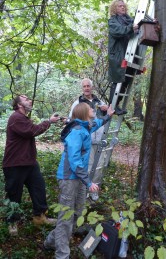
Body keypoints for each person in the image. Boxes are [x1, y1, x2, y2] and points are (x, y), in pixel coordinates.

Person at [44, 102, 114, 259]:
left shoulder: (86, 127)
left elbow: (97, 123)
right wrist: (89, 182)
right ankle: (62, 255)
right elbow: (74, 160)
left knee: (78, 213)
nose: (93, 110)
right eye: (90, 109)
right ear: (83, 113)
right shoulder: (76, 132)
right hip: (69, 178)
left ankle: (50, 241)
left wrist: (108, 115)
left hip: (80, 178)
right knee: (66, 218)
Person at [2, 94, 60, 235]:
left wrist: (49, 122)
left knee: (38, 188)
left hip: (29, 162)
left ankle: (39, 217)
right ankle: (12, 222)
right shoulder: (16, 118)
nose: (30, 100)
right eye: (26, 99)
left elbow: (32, 129)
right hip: (15, 164)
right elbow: (32, 131)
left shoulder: (23, 118)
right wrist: (49, 121)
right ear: (19, 104)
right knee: (14, 194)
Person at [69, 78, 108, 200]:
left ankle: (94, 191)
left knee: (99, 166)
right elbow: (72, 119)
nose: (86, 88)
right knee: (89, 165)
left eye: (88, 86)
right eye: (84, 86)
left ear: (92, 87)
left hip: (100, 138)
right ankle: (85, 189)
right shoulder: (78, 103)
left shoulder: (99, 102)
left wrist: (106, 110)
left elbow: (106, 116)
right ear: (82, 88)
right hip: (87, 139)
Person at [108, 0, 139, 115]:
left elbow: (137, 25)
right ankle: (113, 106)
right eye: (120, 6)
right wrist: (131, 28)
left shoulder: (129, 20)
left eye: (123, 5)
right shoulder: (112, 21)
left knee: (126, 80)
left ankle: (117, 104)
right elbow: (118, 31)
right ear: (114, 9)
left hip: (130, 55)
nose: (123, 7)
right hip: (118, 55)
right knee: (117, 79)